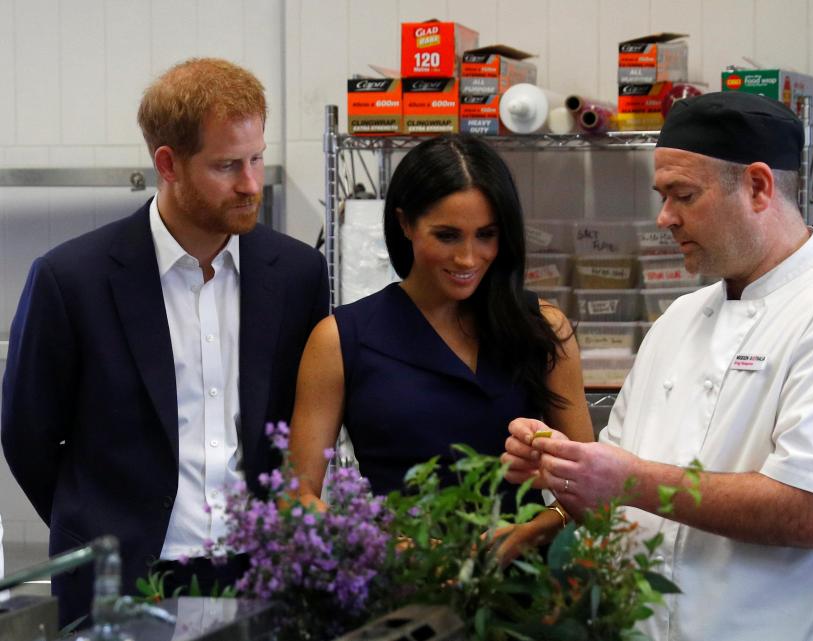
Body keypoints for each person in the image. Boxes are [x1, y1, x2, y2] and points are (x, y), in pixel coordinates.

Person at [502, 92, 813, 641]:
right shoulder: (678, 321)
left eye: (683, 195)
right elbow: (619, 504)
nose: (664, 218)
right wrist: (568, 470)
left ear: (757, 186)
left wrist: (626, 479)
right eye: (663, 196)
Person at [1, 58, 329, 626]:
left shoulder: (297, 275)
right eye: (227, 165)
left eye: (256, 158)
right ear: (167, 163)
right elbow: (26, 432)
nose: (251, 183)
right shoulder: (72, 279)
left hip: (260, 570)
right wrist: (98, 517)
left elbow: (297, 424)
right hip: (121, 574)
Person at [288, 134, 593, 562]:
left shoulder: (541, 328)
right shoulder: (341, 339)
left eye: (486, 235)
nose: (468, 258)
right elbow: (298, 497)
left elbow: (589, 491)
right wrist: (388, 547)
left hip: (525, 600)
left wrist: (531, 531)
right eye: (447, 236)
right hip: (397, 591)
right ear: (405, 224)